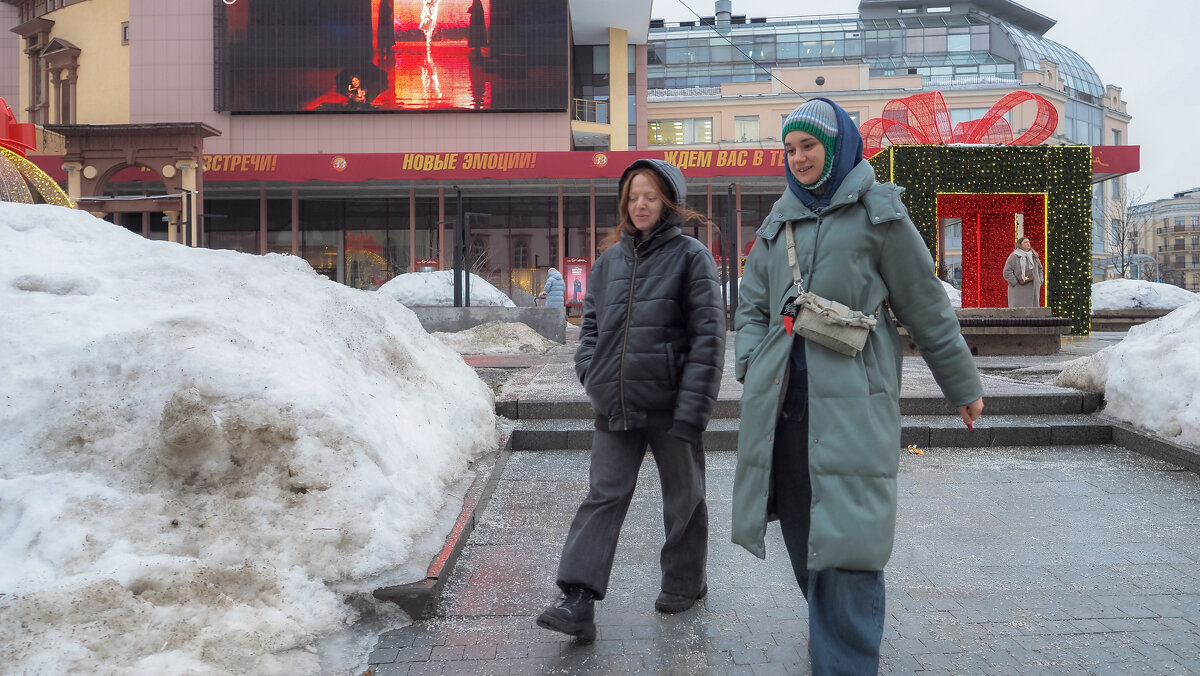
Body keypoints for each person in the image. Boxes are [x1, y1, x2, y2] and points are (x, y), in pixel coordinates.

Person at [732, 98, 985, 673]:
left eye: (809, 147)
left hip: (854, 407)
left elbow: (926, 306)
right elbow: (750, 306)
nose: (797, 158)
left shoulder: (881, 214)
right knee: (806, 546)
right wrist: (751, 362)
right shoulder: (779, 222)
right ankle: (836, 635)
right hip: (785, 412)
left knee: (848, 548)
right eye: (790, 149)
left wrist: (962, 385)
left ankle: (844, 658)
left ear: (837, 146)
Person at [536, 159, 726, 642]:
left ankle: (684, 582)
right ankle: (578, 598)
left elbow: (708, 338)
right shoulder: (608, 263)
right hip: (615, 403)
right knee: (604, 496)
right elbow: (592, 329)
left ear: (669, 202)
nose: (640, 204)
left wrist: (694, 407)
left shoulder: (691, 257)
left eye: (651, 196)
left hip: (671, 404)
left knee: (684, 499)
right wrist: (591, 373)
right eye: (633, 196)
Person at [1003, 236, 1043, 307]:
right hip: (1018, 289)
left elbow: (1040, 269)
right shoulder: (1014, 256)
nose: (1028, 244)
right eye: (1025, 242)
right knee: (1018, 312)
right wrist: (1014, 282)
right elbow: (1007, 271)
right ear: (1020, 244)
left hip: (1033, 287)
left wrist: (1039, 280)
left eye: (1028, 242)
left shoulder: (1034, 256)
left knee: (1033, 312)